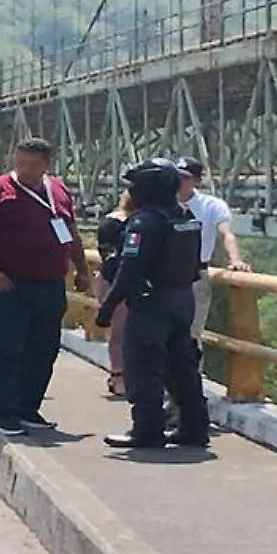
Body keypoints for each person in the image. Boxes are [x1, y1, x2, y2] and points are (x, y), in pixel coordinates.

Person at [0, 138, 94, 436]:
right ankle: (3, 412)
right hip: (8, 284)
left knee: (43, 348)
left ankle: (28, 407)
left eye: (32, 165)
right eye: (20, 163)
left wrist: (82, 269)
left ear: (47, 165)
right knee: (4, 347)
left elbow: (70, 231)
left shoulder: (57, 190)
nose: (24, 170)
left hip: (49, 283)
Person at [94, 159, 212, 449]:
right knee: (182, 368)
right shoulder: (186, 217)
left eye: (135, 185)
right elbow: (194, 265)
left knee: (143, 367)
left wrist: (107, 308)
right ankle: (194, 428)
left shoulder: (145, 221)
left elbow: (129, 270)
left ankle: (146, 430)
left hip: (152, 303)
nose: (132, 191)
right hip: (182, 300)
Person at [175, 156, 251, 341]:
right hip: (161, 274)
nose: (178, 181)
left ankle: (189, 370)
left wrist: (235, 260)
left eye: (185, 177)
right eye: (176, 175)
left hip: (194, 275)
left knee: (191, 335)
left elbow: (226, 233)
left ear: (196, 181)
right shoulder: (159, 203)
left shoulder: (211, 205)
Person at [93, 191, 133, 399]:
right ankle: (118, 376)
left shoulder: (148, 220)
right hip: (114, 281)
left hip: (138, 283)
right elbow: (108, 257)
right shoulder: (112, 223)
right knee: (118, 331)